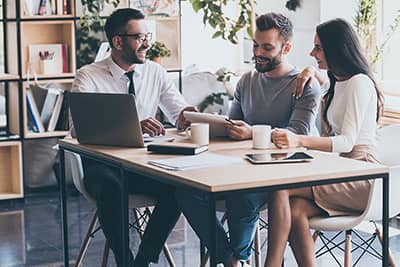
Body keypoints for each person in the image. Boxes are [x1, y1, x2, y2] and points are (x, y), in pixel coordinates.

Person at [176, 13, 320, 267]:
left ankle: (238, 258)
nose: (258, 53)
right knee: (186, 189)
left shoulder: (305, 85)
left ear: (286, 48)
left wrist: (251, 132)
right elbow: (234, 128)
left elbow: (295, 135)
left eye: (267, 47)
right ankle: (231, 258)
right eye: (255, 45)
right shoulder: (247, 80)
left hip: (285, 173)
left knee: (240, 195)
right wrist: (203, 124)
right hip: (242, 166)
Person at [71, 8, 197, 267]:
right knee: (111, 186)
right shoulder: (88, 76)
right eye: (140, 37)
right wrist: (134, 125)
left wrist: (189, 116)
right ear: (118, 42)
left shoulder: (156, 73)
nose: (148, 43)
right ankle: (124, 261)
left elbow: (179, 115)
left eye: (147, 35)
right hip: (102, 166)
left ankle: (143, 260)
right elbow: (78, 129)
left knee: (180, 188)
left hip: (143, 164)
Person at [265, 18, 384, 267]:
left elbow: (347, 142)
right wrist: (309, 72)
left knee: (280, 187)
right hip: (341, 171)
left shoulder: (359, 83)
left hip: (363, 176)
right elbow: (323, 79)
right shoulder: (338, 81)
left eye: (318, 47)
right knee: (296, 209)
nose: (312, 53)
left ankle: (271, 265)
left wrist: (298, 140)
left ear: (336, 48)